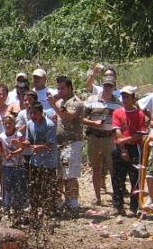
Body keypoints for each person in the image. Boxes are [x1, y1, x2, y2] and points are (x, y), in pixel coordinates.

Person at [83, 76, 122, 205]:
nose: (107, 88)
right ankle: (97, 196)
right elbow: (81, 118)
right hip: (94, 137)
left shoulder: (118, 103)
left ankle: (116, 196)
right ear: (102, 85)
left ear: (114, 87)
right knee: (96, 168)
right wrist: (94, 123)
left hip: (110, 138)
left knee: (113, 168)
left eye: (110, 86)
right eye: (105, 85)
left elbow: (122, 122)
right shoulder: (91, 100)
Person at [51, 76, 85, 211]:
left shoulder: (75, 102)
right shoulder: (60, 102)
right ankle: (59, 202)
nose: (60, 91)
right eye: (58, 88)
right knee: (58, 175)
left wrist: (53, 105)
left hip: (72, 142)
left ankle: (73, 203)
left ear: (70, 88)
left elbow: (68, 116)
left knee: (70, 175)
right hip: (59, 143)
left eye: (62, 88)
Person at [112, 86, 146, 216]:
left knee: (135, 178)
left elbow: (139, 134)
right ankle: (118, 205)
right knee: (117, 178)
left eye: (127, 96)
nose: (125, 99)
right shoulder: (117, 112)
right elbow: (117, 130)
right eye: (123, 96)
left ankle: (134, 206)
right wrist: (123, 149)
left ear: (133, 98)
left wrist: (124, 141)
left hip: (134, 148)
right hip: (120, 148)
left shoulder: (140, 114)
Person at [24, 102, 58, 221]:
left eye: (35, 113)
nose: (33, 115)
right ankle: (34, 209)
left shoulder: (49, 125)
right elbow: (29, 140)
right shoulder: (29, 124)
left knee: (49, 186)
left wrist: (39, 147)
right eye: (31, 113)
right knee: (34, 185)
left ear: (41, 113)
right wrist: (22, 144)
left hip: (49, 161)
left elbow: (51, 144)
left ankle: (50, 209)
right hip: (35, 161)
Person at [0, 114, 28, 213]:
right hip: (7, 165)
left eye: (9, 123)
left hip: (18, 164)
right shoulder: (1, 136)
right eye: (5, 123)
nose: (7, 125)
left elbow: (22, 147)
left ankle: (19, 206)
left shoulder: (18, 135)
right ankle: (6, 206)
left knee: (19, 186)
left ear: (14, 124)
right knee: (7, 186)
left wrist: (13, 153)